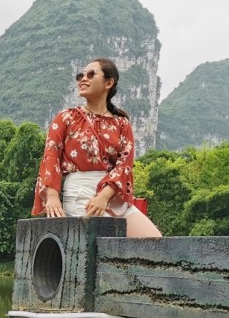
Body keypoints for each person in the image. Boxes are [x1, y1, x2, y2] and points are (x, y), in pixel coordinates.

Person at [31, 57, 163, 238]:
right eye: (81, 75)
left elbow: (124, 165)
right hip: (80, 194)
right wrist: (52, 196)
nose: (83, 79)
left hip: (113, 196)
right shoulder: (66, 118)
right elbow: (51, 155)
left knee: (155, 241)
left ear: (109, 82)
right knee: (97, 249)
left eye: (91, 74)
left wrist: (104, 196)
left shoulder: (122, 123)